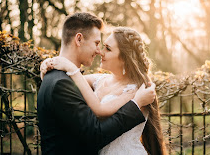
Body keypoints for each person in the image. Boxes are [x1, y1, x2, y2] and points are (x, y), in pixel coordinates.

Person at [37, 12, 156, 155]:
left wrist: (57, 65)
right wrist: (48, 63)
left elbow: (95, 110)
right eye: (97, 44)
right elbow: (95, 134)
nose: (99, 51)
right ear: (79, 39)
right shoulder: (62, 83)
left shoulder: (137, 90)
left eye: (107, 48)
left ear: (125, 58)